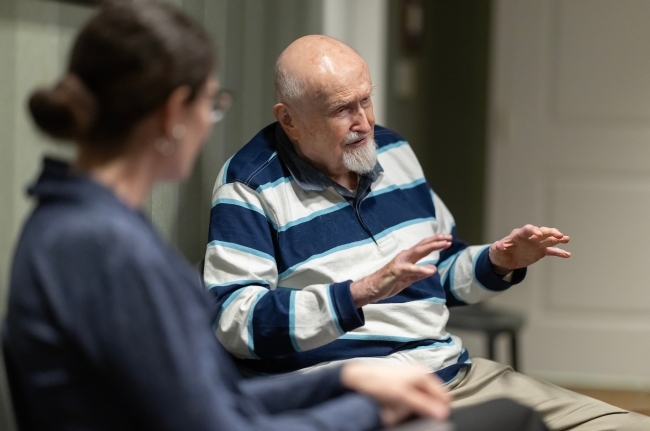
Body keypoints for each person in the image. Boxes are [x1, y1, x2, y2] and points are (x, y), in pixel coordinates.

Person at [2, 3, 462, 430]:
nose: (209, 122)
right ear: (172, 115)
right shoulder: (102, 247)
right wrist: (369, 410)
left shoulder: (75, 221)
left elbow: (212, 398)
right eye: (211, 104)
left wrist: (345, 381)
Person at [204, 35, 650, 430]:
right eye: (342, 109)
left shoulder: (394, 152)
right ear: (290, 120)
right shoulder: (249, 187)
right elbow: (235, 322)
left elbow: (439, 273)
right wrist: (358, 292)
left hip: (450, 375)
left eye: (366, 100)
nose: (363, 122)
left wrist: (498, 261)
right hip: (355, 401)